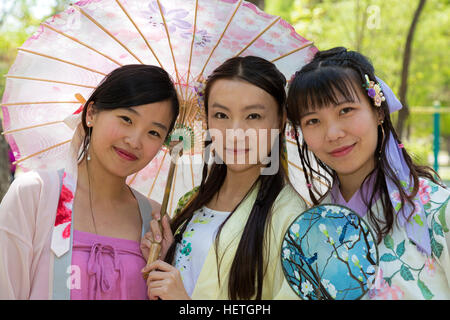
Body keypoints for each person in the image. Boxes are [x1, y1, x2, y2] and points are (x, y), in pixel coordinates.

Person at [0, 64, 179, 299]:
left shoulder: (154, 220)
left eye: (154, 133)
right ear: (91, 113)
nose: (135, 141)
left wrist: (161, 265)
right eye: (126, 119)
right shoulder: (36, 195)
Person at [286, 47, 450, 299]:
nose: (333, 133)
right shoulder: (312, 227)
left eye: (345, 111)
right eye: (313, 121)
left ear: (379, 111)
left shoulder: (439, 211)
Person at [140, 56, 307, 300]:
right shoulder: (192, 201)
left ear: (281, 120)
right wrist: (168, 255)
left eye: (253, 116)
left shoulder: (292, 219)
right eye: (221, 115)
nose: (235, 133)